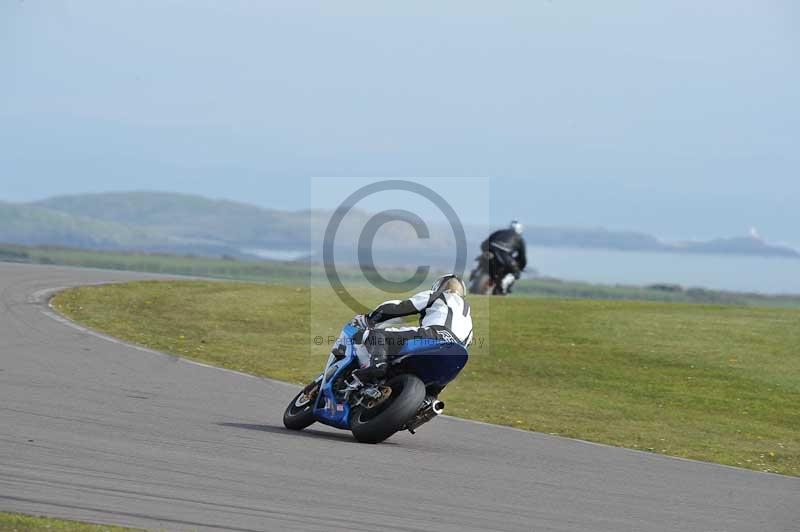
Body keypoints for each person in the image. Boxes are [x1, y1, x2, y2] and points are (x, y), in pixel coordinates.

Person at [350, 274, 473, 385]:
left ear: (439, 286)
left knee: (375, 335)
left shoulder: (438, 296)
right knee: (433, 389)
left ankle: (377, 365)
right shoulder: (468, 316)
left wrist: (368, 319)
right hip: (456, 351)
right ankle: (429, 401)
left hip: (434, 334)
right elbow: (468, 343)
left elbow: (402, 308)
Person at [480, 219, 527, 294]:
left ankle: (477, 276)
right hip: (504, 257)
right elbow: (522, 257)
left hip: (490, 250)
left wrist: (485, 250)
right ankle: (503, 285)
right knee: (516, 272)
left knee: (481, 261)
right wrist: (520, 267)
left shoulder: (500, 232)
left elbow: (484, 243)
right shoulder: (519, 238)